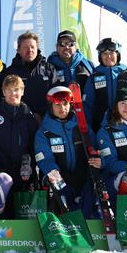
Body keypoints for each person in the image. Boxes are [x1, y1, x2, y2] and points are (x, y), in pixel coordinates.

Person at [34, 85, 101, 216]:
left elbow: (95, 151)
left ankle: (93, 224)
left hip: (83, 177)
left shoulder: (82, 127)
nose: (62, 108)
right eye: (57, 105)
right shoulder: (44, 132)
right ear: (50, 106)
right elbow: (45, 161)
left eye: (65, 104)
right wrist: (60, 181)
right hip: (59, 178)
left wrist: (95, 166)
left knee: (90, 196)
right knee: (64, 200)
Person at [0, 75, 39, 217]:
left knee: (18, 211)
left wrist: (30, 166)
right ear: (3, 92)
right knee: (2, 182)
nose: (13, 94)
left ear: (22, 91)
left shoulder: (28, 116)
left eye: (16, 90)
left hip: (21, 170)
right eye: (9, 90)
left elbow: (33, 146)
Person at [0, 32, 56, 120]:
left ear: (37, 49)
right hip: (19, 120)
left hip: (46, 120)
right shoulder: (10, 72)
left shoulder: (49, 69)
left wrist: (45, 115)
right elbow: (3, 98)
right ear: (18, 50)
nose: (30, 50)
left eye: (32, 47)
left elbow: (55, 95)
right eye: (25, 47)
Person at [84, 37, 127, 133]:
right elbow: (87, 105)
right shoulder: (94, 78)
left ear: (117, 55)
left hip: (126, 127)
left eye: (112, 53)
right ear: (100, 57)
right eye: (105, 54)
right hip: (101, 127)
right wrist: (89, 130)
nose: (108, 56)